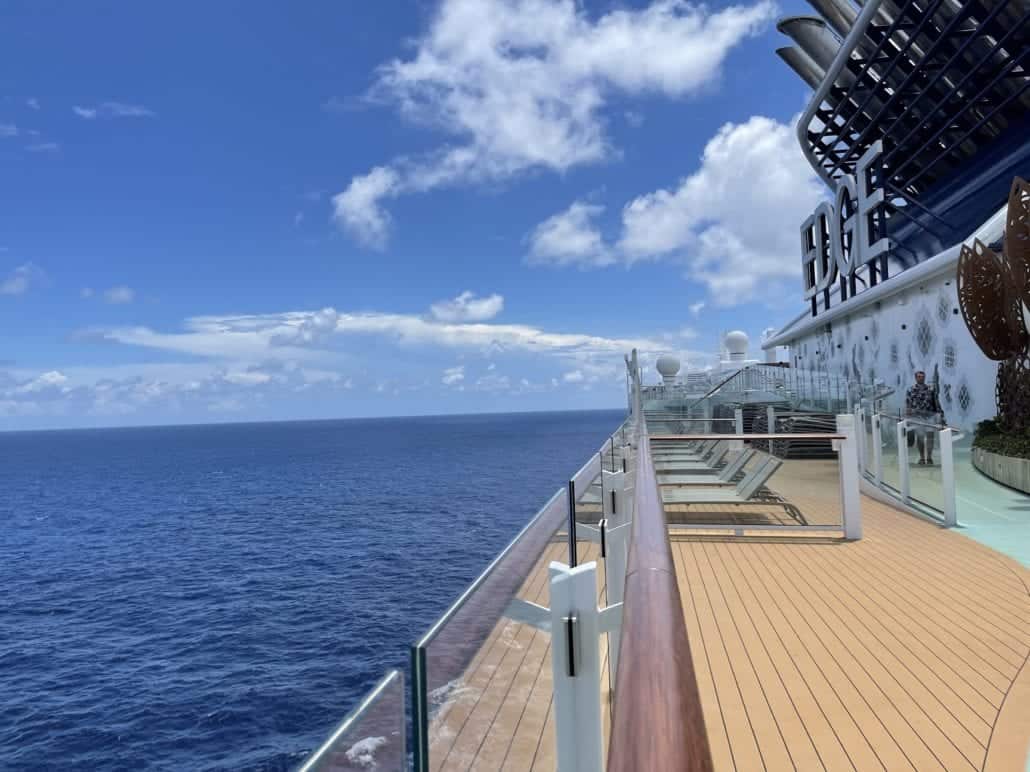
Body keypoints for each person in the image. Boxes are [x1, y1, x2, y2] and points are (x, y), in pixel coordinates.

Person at [905, 370, 944, 465]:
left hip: (929, 417)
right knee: (920, 438)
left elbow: (936, 402)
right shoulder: (910, 390)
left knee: (930, 437)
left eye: (922, 376)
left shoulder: (930, 389)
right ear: (915, 378)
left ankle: (929, 457)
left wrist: (940, 416)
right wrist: (908, 418)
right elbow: (908, 404)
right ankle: (922, 458)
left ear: (924, 377)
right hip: (917, 417)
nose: (921, 378)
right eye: (919, 376)